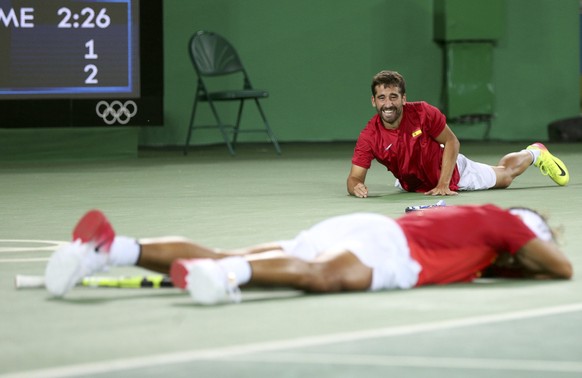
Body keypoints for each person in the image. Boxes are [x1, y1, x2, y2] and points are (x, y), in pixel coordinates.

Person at [44, 205, 572, 305]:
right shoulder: (506, 224)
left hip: (361, 227)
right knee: (322, 277)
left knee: (236, 251)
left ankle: (109, 249)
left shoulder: (472, 231)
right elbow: (562, 269)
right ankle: (225, 276)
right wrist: (522, 260)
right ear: (532, 231)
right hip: (393, 249)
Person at [347, 70, 570, 197]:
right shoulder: (369, 136)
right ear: (373, 101)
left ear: (403, 99)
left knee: (505, 176)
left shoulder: (423, 113)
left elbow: (452, 141)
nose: (388, 103)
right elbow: (355, 177)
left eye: (394, 97)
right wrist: (355, 187)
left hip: (452, 171)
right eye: (382, 98)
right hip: (414, 183)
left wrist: (443, 183)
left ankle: (534, 153)